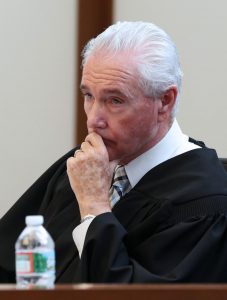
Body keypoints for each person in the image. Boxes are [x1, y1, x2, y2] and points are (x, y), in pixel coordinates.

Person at [1, 21, 227, 283]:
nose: (94, 120)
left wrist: (94, 207)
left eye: (115, 100)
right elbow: (10, 263)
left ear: (165, 101)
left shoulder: (207, 204)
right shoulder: (84, 166)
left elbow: (121, 295)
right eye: (89, 96)